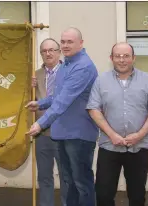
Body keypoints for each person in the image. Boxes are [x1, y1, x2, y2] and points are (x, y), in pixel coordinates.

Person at [26, 27, 99, 206]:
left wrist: (40, 124)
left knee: (82, 183)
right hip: (64, 134)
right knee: (70, 182)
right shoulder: (67, 64)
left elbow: (63, 101)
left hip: (78, 134)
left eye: (70, 42)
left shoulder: (83, 66)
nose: (65, 45)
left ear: (81, 43)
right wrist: (40, 104)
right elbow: (58, 95)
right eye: (63, 41)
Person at [87, 42, 148, 206]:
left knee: (137, 196)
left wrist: (139, 135)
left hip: (139, 147)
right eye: (118, 56)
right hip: (109, 146)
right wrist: (112, 135)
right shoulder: (101, 81)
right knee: (103, 195)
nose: (122, 60)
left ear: (133, 58)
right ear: (111, 58)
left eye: (126, 56)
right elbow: (94, 109)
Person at [31, 38, 68, 206]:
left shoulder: (68, 72)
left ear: (59, 52)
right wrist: (27, 88)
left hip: (63, 133)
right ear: (41, 54)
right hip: (42, 134)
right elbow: (29, 102)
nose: (48, 53)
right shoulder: (35, 75)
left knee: (66, 176)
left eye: (52, 50)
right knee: (44, 177)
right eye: (44, 51)